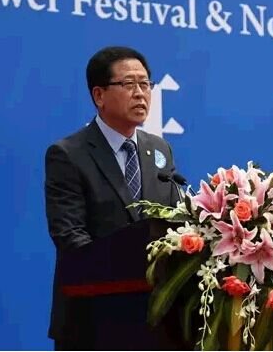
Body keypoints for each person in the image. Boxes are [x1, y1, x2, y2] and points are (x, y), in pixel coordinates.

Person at [44, 46, 181, 350]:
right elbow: (69, 235)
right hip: (93, 320)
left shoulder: (159, 149)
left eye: (145, 84)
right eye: (129, 84)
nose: (140, 93)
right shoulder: (68, 154)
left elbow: (172, 223)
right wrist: (121, 270)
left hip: (155, 320)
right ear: (99, 95)